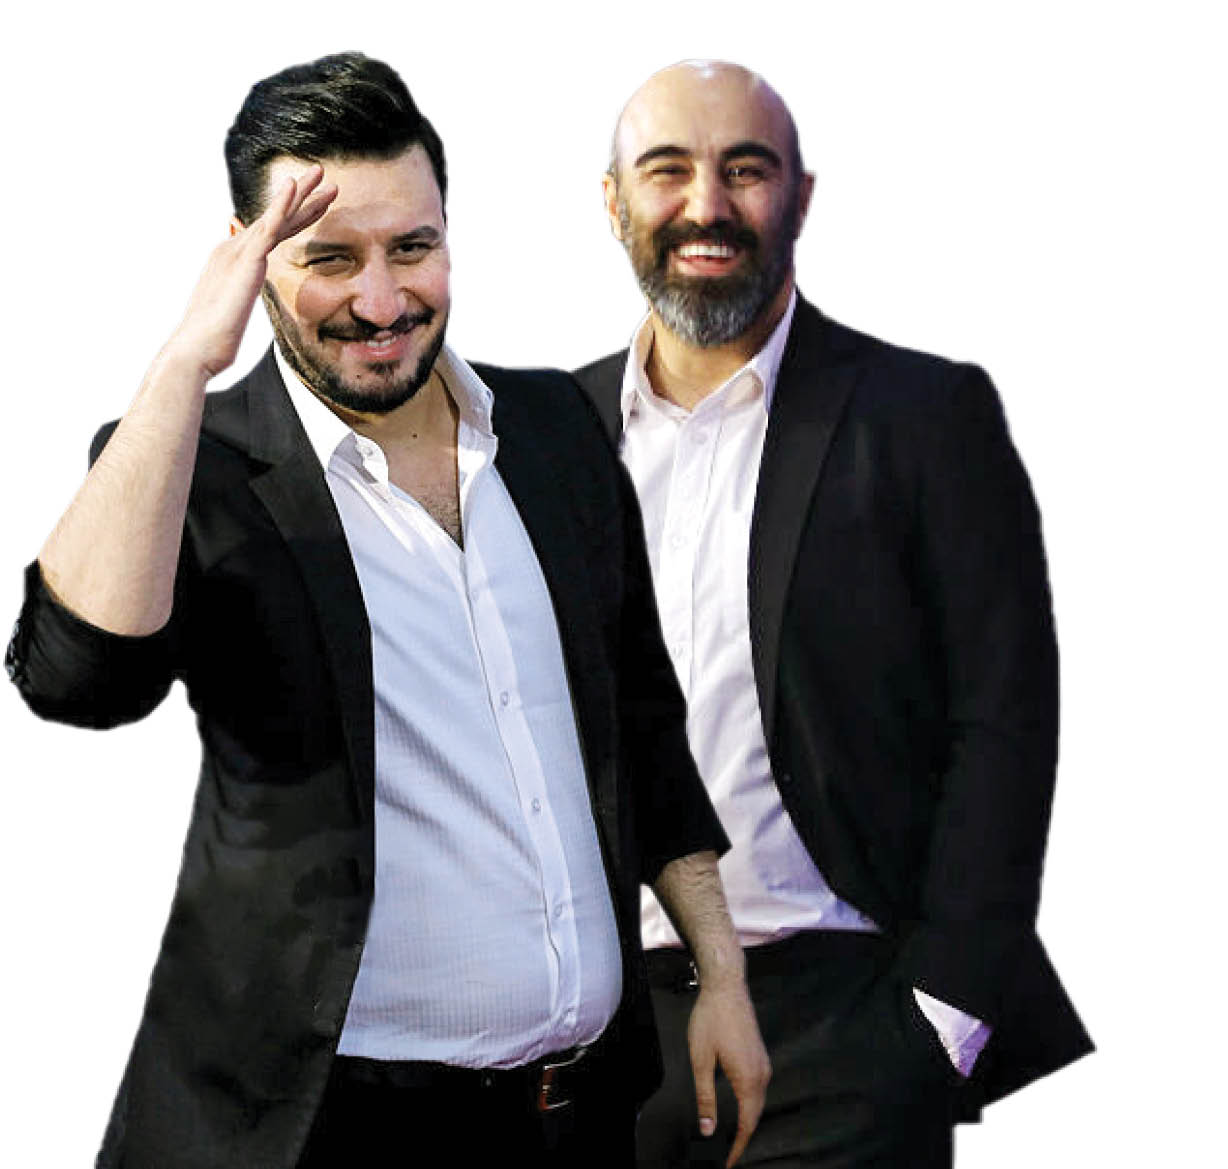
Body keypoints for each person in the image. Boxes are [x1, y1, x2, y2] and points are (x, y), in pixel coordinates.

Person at [5, 53, 771, 1169]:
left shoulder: (555, 429)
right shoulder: (195, 467)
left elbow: (645, 730)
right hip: (330, 1130)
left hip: (574, 1115)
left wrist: (722, 973)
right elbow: (76, 682)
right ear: (249, 259)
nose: (380, 301)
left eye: (411, 248)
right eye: (329, 258)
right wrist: (186, 361)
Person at [574, 60, 1093, 1167]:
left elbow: (1005, 718)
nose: (706, 204)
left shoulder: (924, 417)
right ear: (612, 202)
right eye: (667, 170)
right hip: (589, 1047)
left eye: (744, 169)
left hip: (840, 1035)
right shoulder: (538, 436)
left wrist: (943, 1016)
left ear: (800, 196)